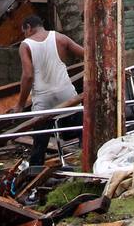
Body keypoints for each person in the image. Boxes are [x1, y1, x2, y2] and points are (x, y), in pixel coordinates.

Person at [10, 14, 84, 166]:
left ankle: (35, 171)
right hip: (67, 95)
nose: (25, 35)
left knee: (40, 140)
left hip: (43, 99)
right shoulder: (60, 38)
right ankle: (86, 161)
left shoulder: (26, 45)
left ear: (29, 28)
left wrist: (20, 104)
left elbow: (28, 76)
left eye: (24, 32)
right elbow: (88, 55)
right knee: (81, 128)